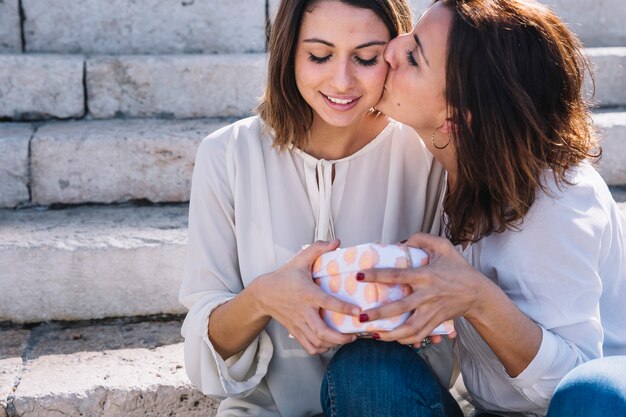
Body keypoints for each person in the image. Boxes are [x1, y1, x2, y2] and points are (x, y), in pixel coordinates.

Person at [321, 0, 626, 416]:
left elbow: (578, 386)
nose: (392, 49)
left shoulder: (559, 200)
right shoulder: (434, 165)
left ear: (459, 115)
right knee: (364, 370)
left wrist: (478, 299)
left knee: (593, 390)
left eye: (414, 56)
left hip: (587, 405)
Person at [179, 1, 452, 416]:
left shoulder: (427, 155)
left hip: (386, 400)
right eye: (319, 55)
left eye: (366, 58)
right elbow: (206, 348)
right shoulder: (227, 154)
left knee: (368, 374)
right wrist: (263, 298)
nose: (341, 81)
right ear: (288, 52)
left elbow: (449, 344)